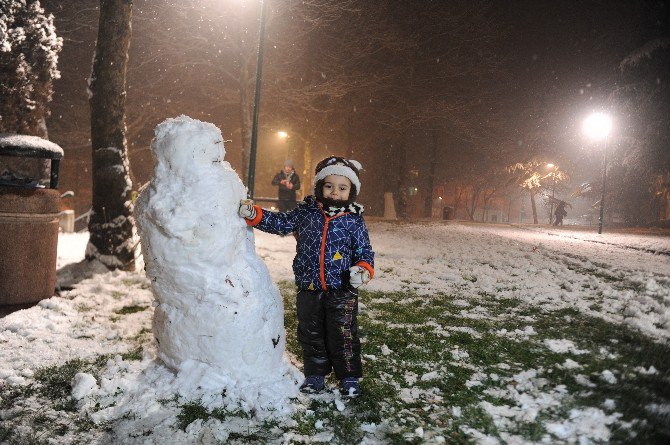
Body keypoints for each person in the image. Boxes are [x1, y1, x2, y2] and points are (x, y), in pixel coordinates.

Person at [239, 156, 374, 397]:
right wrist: (255, 214)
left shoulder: (353, 220)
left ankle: (349, 377)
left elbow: (364, 250)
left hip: (342, 289)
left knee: (342, 334)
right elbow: (280, 223)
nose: (334, 193)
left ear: (351, 191)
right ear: (319, 186)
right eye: (329, 186)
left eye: (342, 188)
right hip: (309, 286)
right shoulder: (306, 213)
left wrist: (363, 269)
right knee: (311, 334)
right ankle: (315, 375)